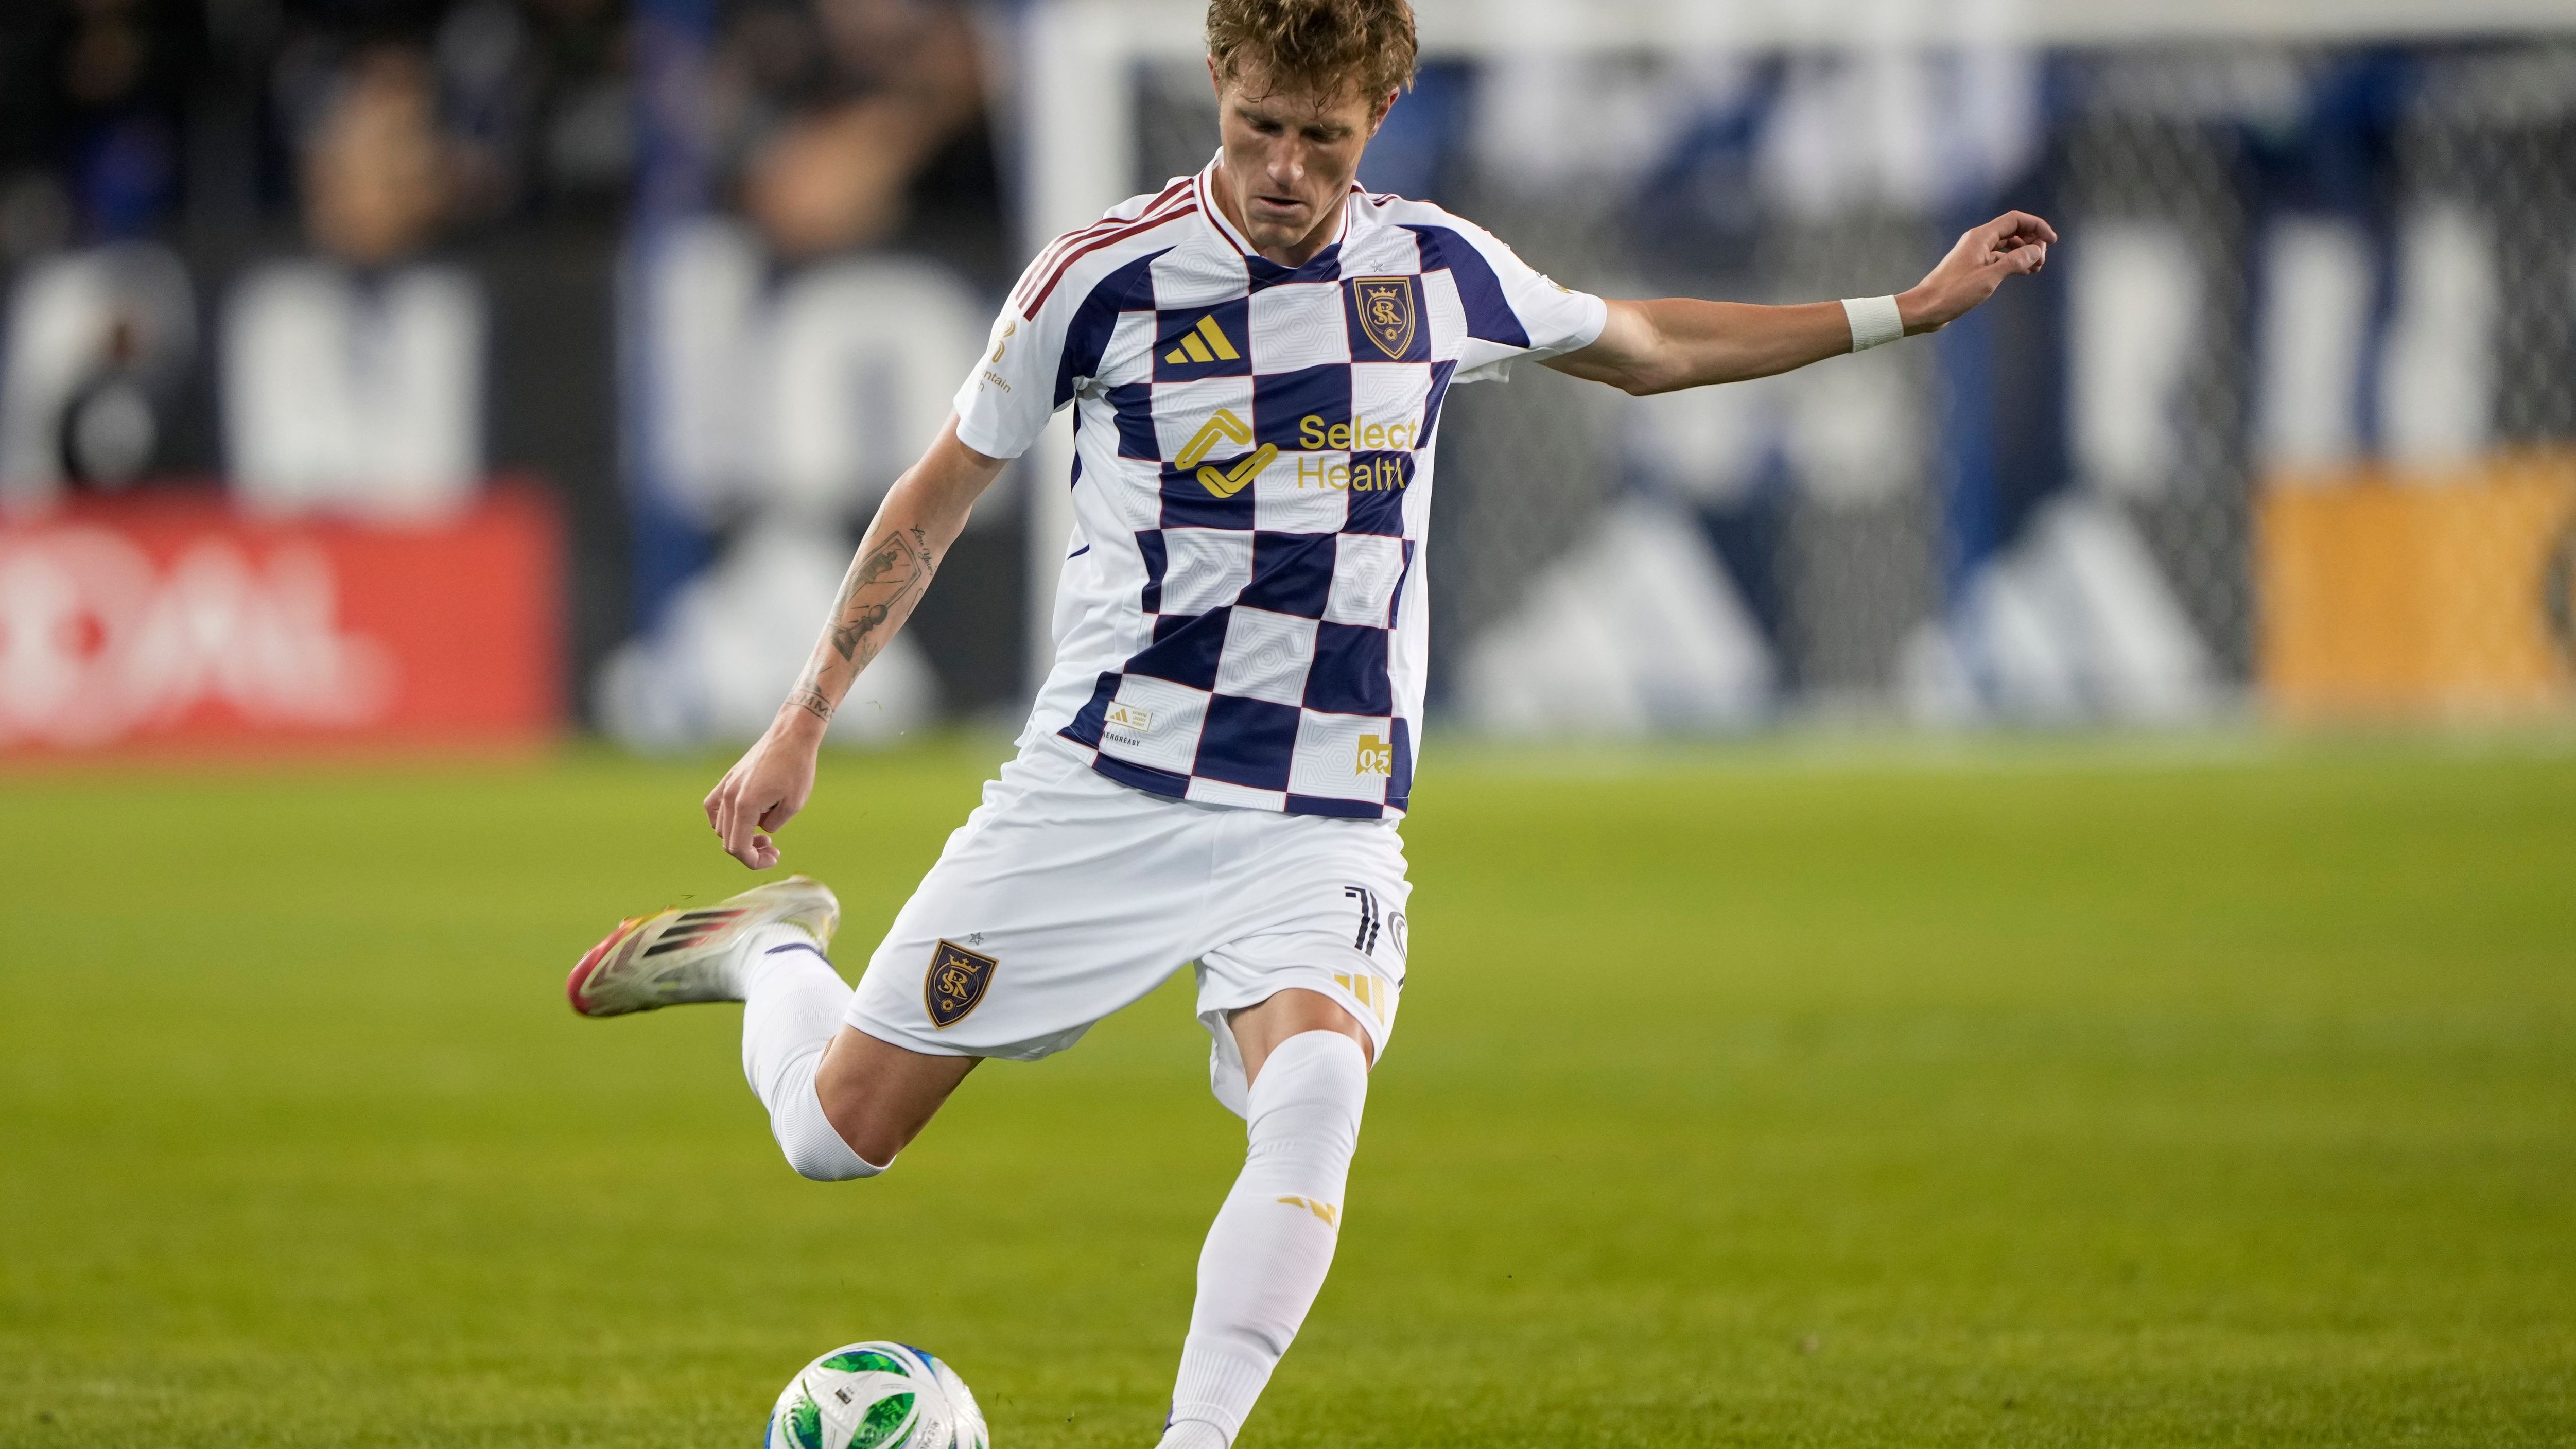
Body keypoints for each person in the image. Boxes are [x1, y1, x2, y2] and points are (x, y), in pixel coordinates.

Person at [565, 2, 2055, 1443]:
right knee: (837, 1139)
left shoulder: (1440, 273)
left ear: (1379, 116)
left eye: (1321, 140)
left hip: (1319, 808)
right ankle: (769, 954)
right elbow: (937, 494)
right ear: (1216, 80)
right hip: (1103, 784)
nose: (1284, 170)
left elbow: (1647, 344)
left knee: (1322, 1080)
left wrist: (1904, 312)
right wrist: (800, 719)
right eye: (1257, 126)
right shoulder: (1100, 277)